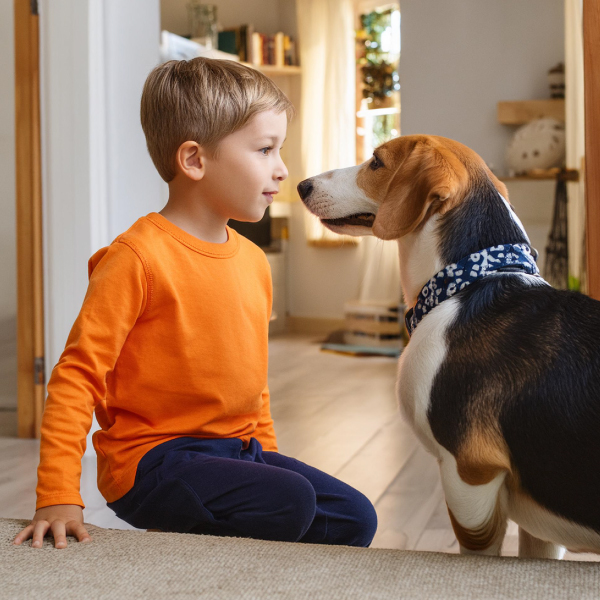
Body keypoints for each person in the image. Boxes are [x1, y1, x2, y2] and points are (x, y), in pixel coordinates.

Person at [13, 57, 378, 550]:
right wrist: (57, 493)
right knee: (290, 502)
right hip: (153, 462)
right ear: (194, 161)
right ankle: (191, 550)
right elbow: (77, 375)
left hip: (235, 452)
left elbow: (255, 387)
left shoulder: (253, 262)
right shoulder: (135, 258)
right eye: (265, 149)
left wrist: (268, 459)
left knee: (354, 517)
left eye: (280, 149)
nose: (282, 168)